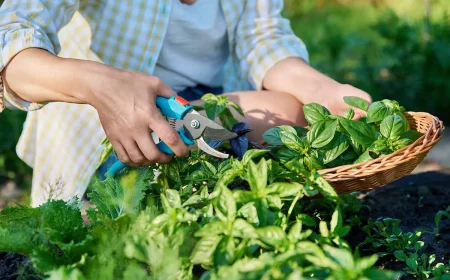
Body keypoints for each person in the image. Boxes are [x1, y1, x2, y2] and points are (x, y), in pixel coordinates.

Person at [0, 0, 371, 206]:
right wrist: (101, 86)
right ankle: (92, 204)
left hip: (197, 117)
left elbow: (263, 37)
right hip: (107, 139)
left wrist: (324, 91)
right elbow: (9, 38)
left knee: (289, 115)